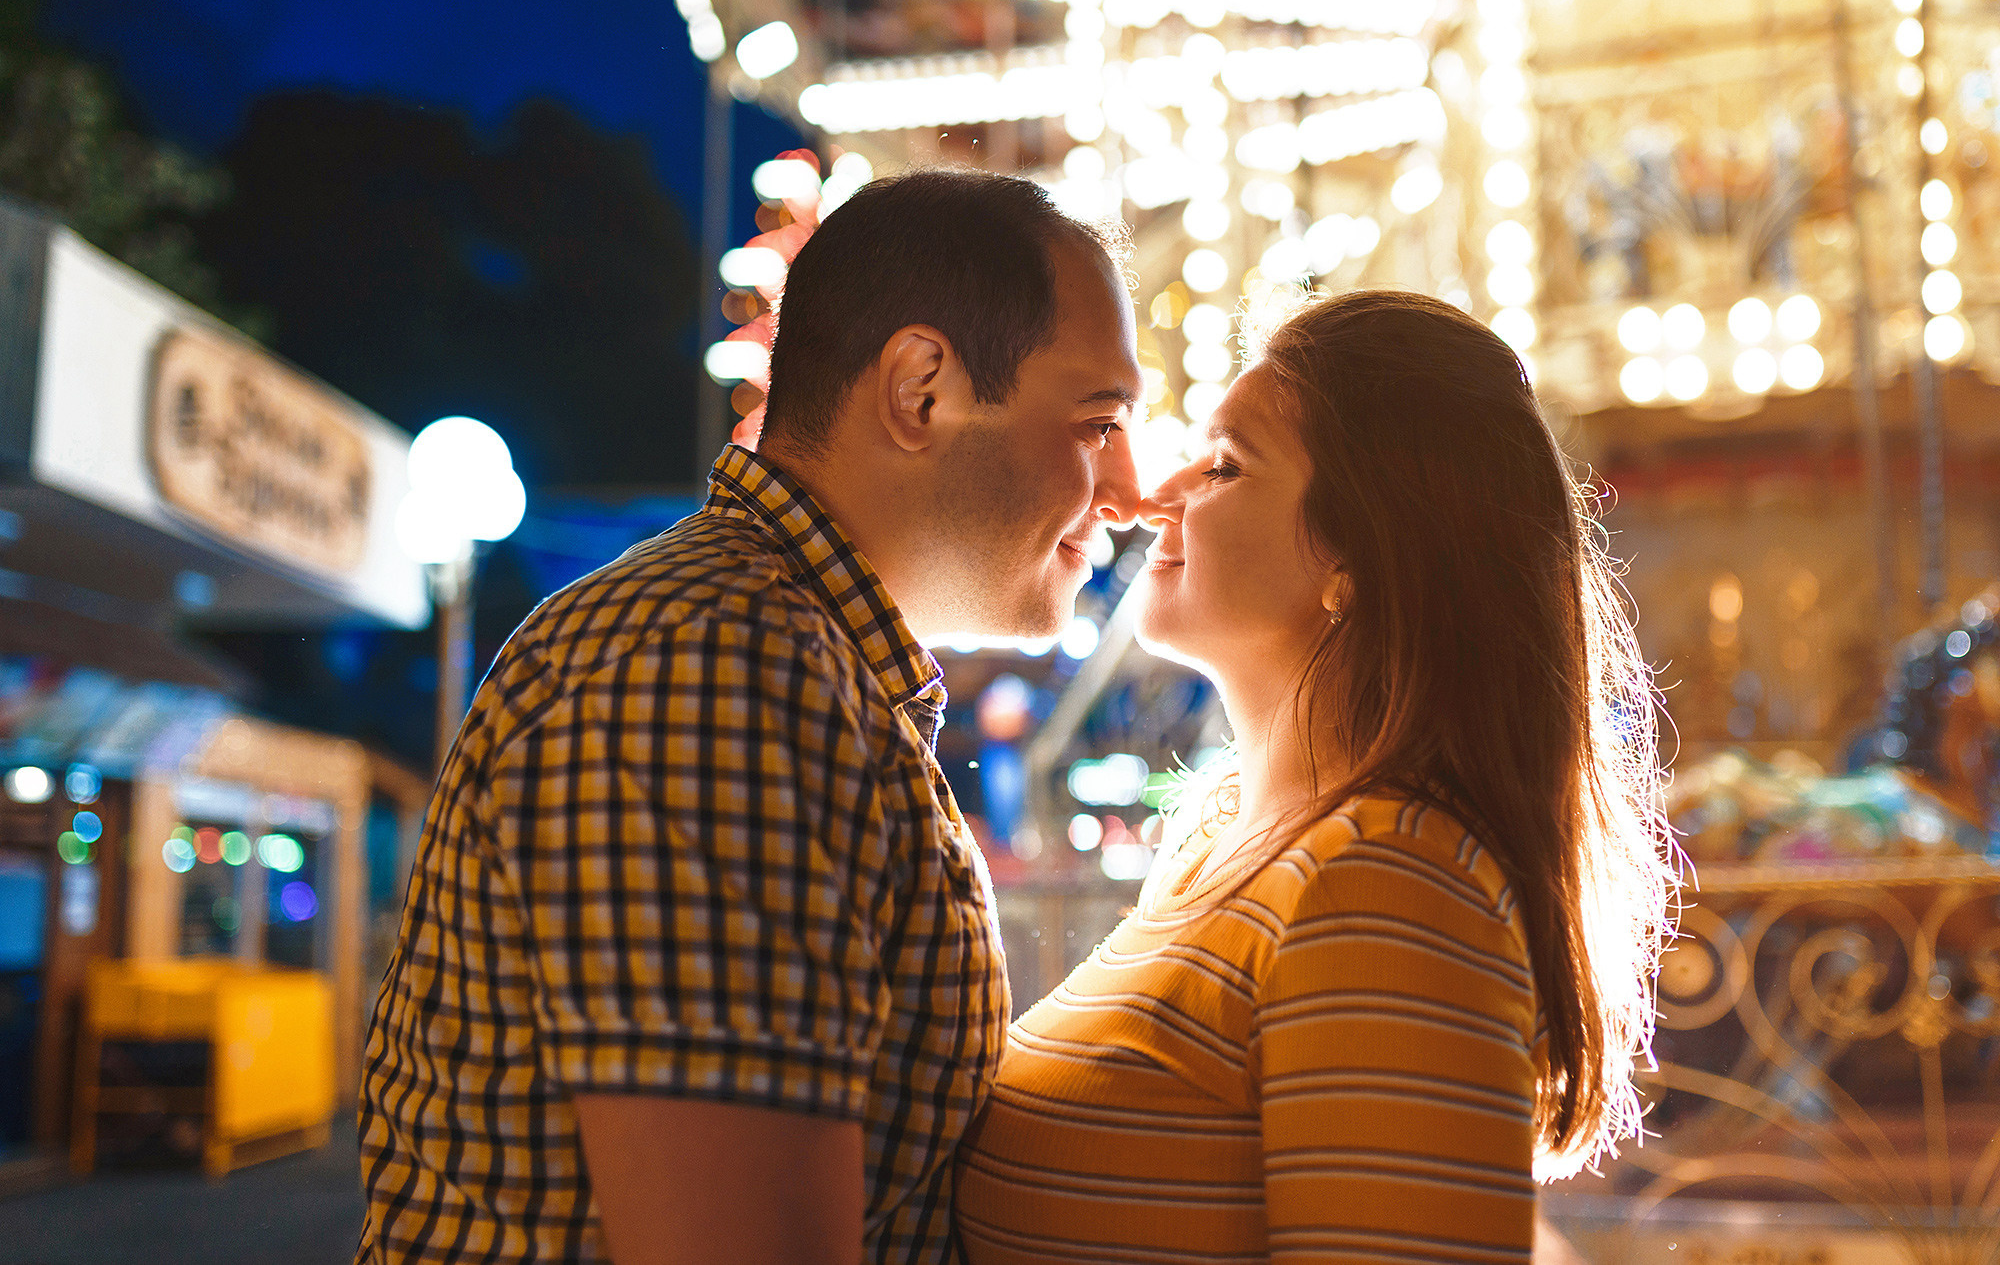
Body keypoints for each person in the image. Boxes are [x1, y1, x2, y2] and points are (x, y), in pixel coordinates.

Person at [356, 168, 1143, 1265]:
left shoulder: (794, 661)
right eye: (1098, 423)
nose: (1130, 489)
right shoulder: (715, 666)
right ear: (920, 388)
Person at [955, 290, 1679, 1263]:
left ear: (1356, 553)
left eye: (1224, 463)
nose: (1163, 491)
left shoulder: (1383, 880)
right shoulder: (1225, 835)